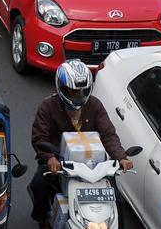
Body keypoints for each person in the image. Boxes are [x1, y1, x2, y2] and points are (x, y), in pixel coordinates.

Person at [29, 60, 133, 226]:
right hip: (60, 164)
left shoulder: (95, 105)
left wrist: (121, 157)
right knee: (39, 185)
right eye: (73, 91)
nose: (78, 95)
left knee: (118, 202)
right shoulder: (47, 107)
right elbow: (39, 138)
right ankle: (43, 218)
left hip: (94, 166)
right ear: (62, 88)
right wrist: (50, 158)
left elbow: (108, 135)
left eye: (82, 91)